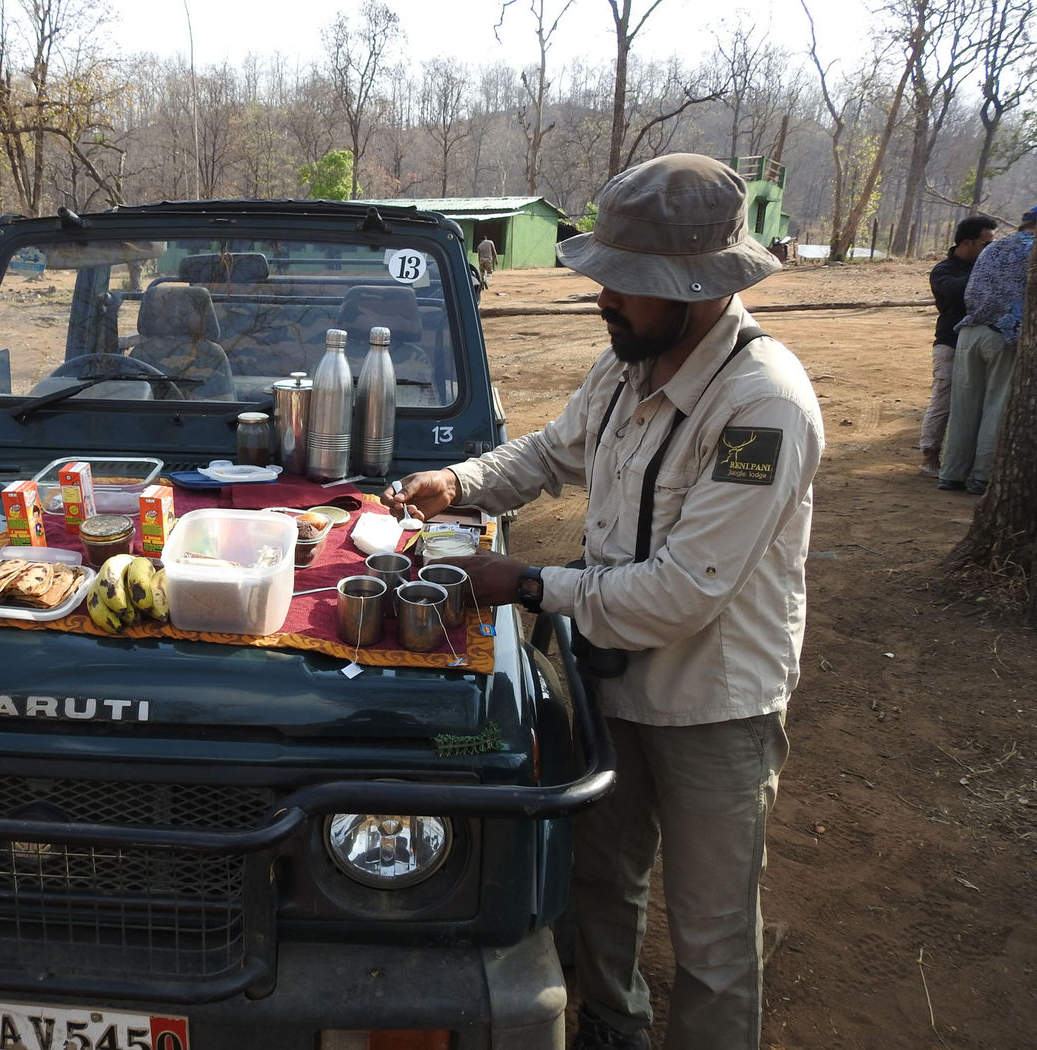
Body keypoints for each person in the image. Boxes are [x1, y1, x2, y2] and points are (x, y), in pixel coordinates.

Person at [385, 154, 824, 1050]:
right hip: (609, 679)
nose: (604, 297)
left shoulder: (760, 408)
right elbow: (548, 456)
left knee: (711, 937)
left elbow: (681, 595)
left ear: (698, 289)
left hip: (712, 707)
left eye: (627, 283)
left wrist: (528, 585)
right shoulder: (632, 360)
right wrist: (456, 482)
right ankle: (615, 1028)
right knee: (602, 879)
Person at [938, 206, 1035, 494]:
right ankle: (982, 476)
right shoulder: (1033, 252)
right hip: (1003, 335)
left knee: (963, 408)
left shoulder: (992, 248)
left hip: (969, 332)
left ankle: (951, 474)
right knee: (996, 405)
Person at [920, 215, 997, 476]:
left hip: (979, 345)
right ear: (967, 242)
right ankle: (930, 454)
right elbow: (954, 291)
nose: (990, 250)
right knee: (944, 398)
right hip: (949, 344)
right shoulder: (942, 271)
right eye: (985, 244)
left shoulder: (983, 266)